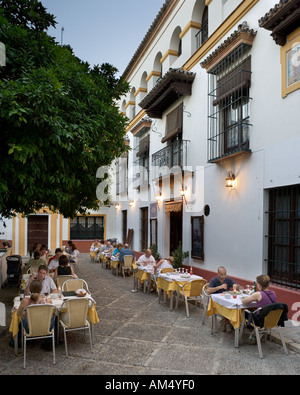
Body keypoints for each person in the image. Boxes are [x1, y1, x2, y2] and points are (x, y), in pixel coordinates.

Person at [207, 266, 239, 332]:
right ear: (218, 273)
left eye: (225, 274)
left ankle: (225, 321)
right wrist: (219, 287)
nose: (224, 276)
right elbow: (208, 291)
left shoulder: (228, 280)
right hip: (216, 302)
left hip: (225, 300)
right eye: (222, 274)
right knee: (227, 306)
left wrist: (235, 285)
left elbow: (236, 285)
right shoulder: (214, 280)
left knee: (231, 305)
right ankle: (227, 322)